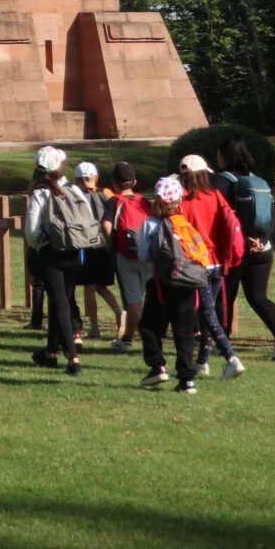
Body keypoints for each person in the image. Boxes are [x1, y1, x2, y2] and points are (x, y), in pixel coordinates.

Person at [22, 146, 98, 375]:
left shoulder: (40, 193)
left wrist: (42, 246)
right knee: (60, 301)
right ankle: (50, 353)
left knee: (61, 305)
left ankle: (73, 360)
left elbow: (31, 231)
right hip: (74, 253)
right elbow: (88, 219)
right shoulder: (73, 188)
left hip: (52, 254)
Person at [216, 135, 275, 360]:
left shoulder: (222, 182)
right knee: (259, 297)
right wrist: (261, 239)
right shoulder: (259, 182)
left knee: (224, 297)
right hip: (263, 249)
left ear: (223, 157)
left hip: (235, 250)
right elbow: (271, 216)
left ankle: (223, 342)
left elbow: (218, 217)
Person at [176, 154, 245, 378]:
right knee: (208, 310)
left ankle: (231, 358)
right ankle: (203, 361)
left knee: (206, 312)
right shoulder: (215, 195)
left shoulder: (181, 201)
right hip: (216, 262)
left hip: (196, 263)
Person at [138, 175, 203, 393]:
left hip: (160, 284)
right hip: (187, 283)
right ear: (179, 200)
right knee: (183, 333)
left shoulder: (150, 224)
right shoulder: (184, 223)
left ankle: (157, 366)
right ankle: (187, 380)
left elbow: (144, 256)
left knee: (148, 326)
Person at [105, 162, 150, 353]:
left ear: (114, 183)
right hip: (147, 255)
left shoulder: (114, 201)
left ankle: (150, 342)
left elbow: (106, 225)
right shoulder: (143, 201)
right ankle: (127, 340)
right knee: (143, 298)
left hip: (124, 256)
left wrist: (110, 246)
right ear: (135, 182)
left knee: (133, 301)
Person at [75, 162, 120, 341]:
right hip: (107, 244)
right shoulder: (107, 193)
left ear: (77, 180)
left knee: (89, 288)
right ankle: (118, 311)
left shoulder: (76, 195)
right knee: (101, 286)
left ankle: (94, 327)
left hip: (87, 245)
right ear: (96, 178)